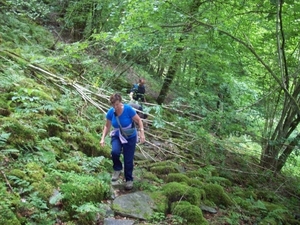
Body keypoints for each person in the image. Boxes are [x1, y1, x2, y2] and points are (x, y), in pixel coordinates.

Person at [100, 93, 145, 190]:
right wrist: (103, 138)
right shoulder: (111, 112)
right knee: (115, 152)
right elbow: (107, 126)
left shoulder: (128, 109)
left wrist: (142, 133)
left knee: (128, 160)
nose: (115, 107)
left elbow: (139, 121)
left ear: (120, 102)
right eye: (113, 105)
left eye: (117, 104)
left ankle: (129, 179)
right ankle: (117, 168)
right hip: (117, 135)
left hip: (130, 137)